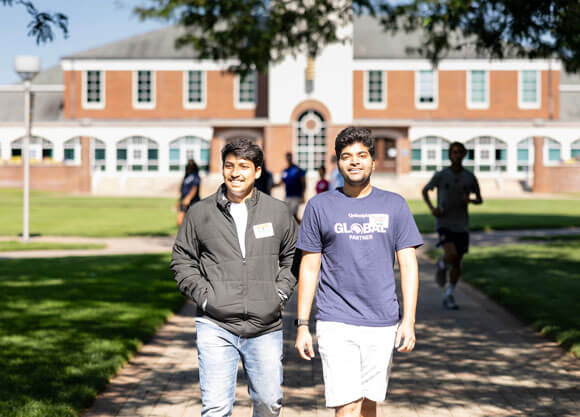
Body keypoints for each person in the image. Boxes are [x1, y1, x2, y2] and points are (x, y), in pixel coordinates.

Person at [294, 127, 423, 417]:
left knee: (368, 403)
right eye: (346, 156)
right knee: (348, 404)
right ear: (338, 163)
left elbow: (408, 264)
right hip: (336, 320)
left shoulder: (395, 205)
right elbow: (309, 266)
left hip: (382, 321)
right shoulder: (319, 207)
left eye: (361, 155)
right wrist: (302, 324)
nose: (354, 161)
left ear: (373, 162)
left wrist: (409, 320)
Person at [171, 138, 298, 417]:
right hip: (215, 324)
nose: (235, 173)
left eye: (243, 166)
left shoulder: (277, 212)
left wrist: (279, 294)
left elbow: (293, 257)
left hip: (264, 327)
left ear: (258, 171)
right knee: (216, 408)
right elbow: (182, 259)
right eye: (229, 166)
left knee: (269, 402)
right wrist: (204, 296)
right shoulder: (200, 212)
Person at [422, 141, 483, 310]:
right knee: (451, 254)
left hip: (462, 224)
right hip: (444, 222)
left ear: (464, 155)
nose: (456, 155)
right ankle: (441, 265)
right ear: (449, 155)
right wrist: (432, 208)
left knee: (457, 261)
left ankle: (449, 294)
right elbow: (425, 190)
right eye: (453, 152)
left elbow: (479, 199)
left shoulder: (470, 177)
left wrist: (469, 200)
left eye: (459, 152)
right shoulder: (441, 175)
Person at [274, 152, 305, 221]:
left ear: (292, 158)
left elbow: (303, 183)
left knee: (293, 214)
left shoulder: (297, 170)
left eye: (290, 157)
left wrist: (303, 195)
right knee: (287, 214)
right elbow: (280, 182)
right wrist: (272, 185)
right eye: (287, 157)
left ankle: (301, 228)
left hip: (296, 196)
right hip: (288, 196)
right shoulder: (285, 171)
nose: (288, 159)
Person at [176, 159, 201, 227]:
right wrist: (179, 200)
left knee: (194, 221)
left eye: (191, 165)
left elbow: (194, 188)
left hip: (193, 202)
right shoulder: (186, 177)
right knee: (179, 220)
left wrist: (188, 198)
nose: (190, 167)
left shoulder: (196, 177)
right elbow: (183, 189)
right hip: (184, 201)